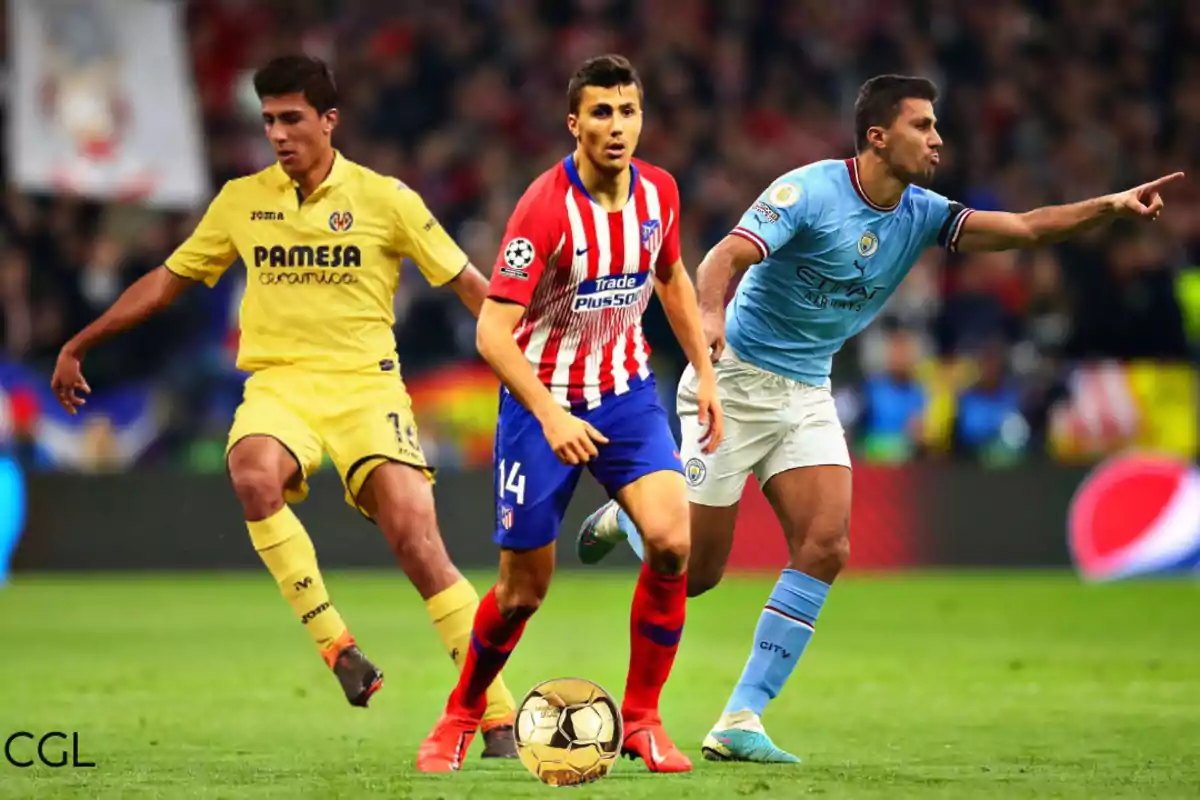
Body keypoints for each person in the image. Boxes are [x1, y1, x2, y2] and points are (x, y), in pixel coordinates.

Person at [577, 74, 1183, 763]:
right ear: (877, 136)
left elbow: (1020, 228)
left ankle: (741, 717)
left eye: (935, 126)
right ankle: (631, 515)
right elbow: (726, 254)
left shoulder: (922, 212)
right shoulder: (806, 191)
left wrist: (1108, 206)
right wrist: (710, 316)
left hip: (806, 392)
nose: (937, 139)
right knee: (698, 573)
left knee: (827, 546)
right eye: (922, 126)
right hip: (736, 384)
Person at [49, 55, 521, 758]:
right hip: (280, 385)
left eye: (291, 118)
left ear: (329, 121)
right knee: (251, 472)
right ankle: (338, 648)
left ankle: (498, 717)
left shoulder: (386, 199)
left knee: (419, 543)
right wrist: (79, 342)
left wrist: (535, 367)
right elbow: (167, 281)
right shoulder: (242, 200)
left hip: (367, 387)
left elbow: (470, 287)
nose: (277, 132)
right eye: (268, 119)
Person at [416, 54, 724, 774]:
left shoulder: (661, 195)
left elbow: (672, 276)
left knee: (674, 543)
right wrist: (550, 414)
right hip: (540, 406)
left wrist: (705, 373)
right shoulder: (544, 208)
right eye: (602, 113)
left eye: (629, 111)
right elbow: (492, 331)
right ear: (574, 123)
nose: (617, 128)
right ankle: (461, 712)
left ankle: (643, 720)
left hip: (626, 396)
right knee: (524, 591)